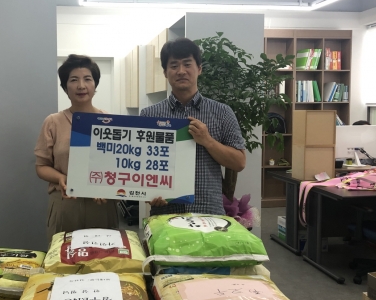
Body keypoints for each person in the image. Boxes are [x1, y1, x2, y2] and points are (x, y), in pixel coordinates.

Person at [140, 37, 246, 215]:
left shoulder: (222, 112)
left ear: (199, 69)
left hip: (209, 213)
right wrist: (148, 193)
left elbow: (239, 163)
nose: (181, 71)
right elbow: (139, 164)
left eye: (187, 64)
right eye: (174, 65)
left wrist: (208, 141)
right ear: (165, 72)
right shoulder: (149, 115)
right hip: (165, 213)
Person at [35, 54, 119, 243]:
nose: (81, 85)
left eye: (87, 79)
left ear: (95, 84)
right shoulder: (53, 122)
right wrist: (61, 178)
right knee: (63, 257)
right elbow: (41, 166)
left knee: (104, 257)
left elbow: (118, 165)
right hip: (65, 204)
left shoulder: (111, 122)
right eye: (74, 80)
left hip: (102, 205)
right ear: (65, 87)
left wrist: (108, 188)